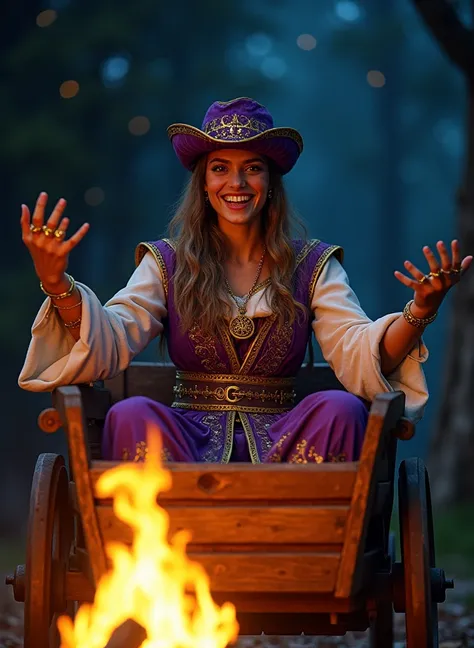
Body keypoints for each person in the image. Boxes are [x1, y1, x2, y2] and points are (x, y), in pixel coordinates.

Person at [18, 97, 472, 464]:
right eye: (220, 168)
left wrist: (421, 311)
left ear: (271, 180)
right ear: (203, 182)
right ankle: (163, 548)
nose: (236, 182)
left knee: (342, 408)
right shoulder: (166, 262)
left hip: (286, 441)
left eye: (252, 167)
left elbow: (358, 352)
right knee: (131, 413)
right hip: (188, 443)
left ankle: (303, 535)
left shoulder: (312, 264)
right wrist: (57, 282)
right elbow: (109, 342)